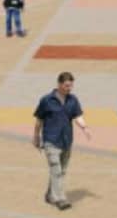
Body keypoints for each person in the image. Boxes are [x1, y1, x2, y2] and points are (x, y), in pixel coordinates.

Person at [32, 72, 91, 210]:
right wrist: (36, 137)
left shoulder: (73, 100)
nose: (69, 88)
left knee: (61, 171)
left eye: (71, 86)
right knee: (56, 169)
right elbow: (39, 120)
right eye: (66, 86)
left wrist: (85, 128)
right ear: (59, 84)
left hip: (66, 141)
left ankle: (50, 194)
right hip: (51, 140)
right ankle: (60, 198)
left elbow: (77, 116)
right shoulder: (46, 100)